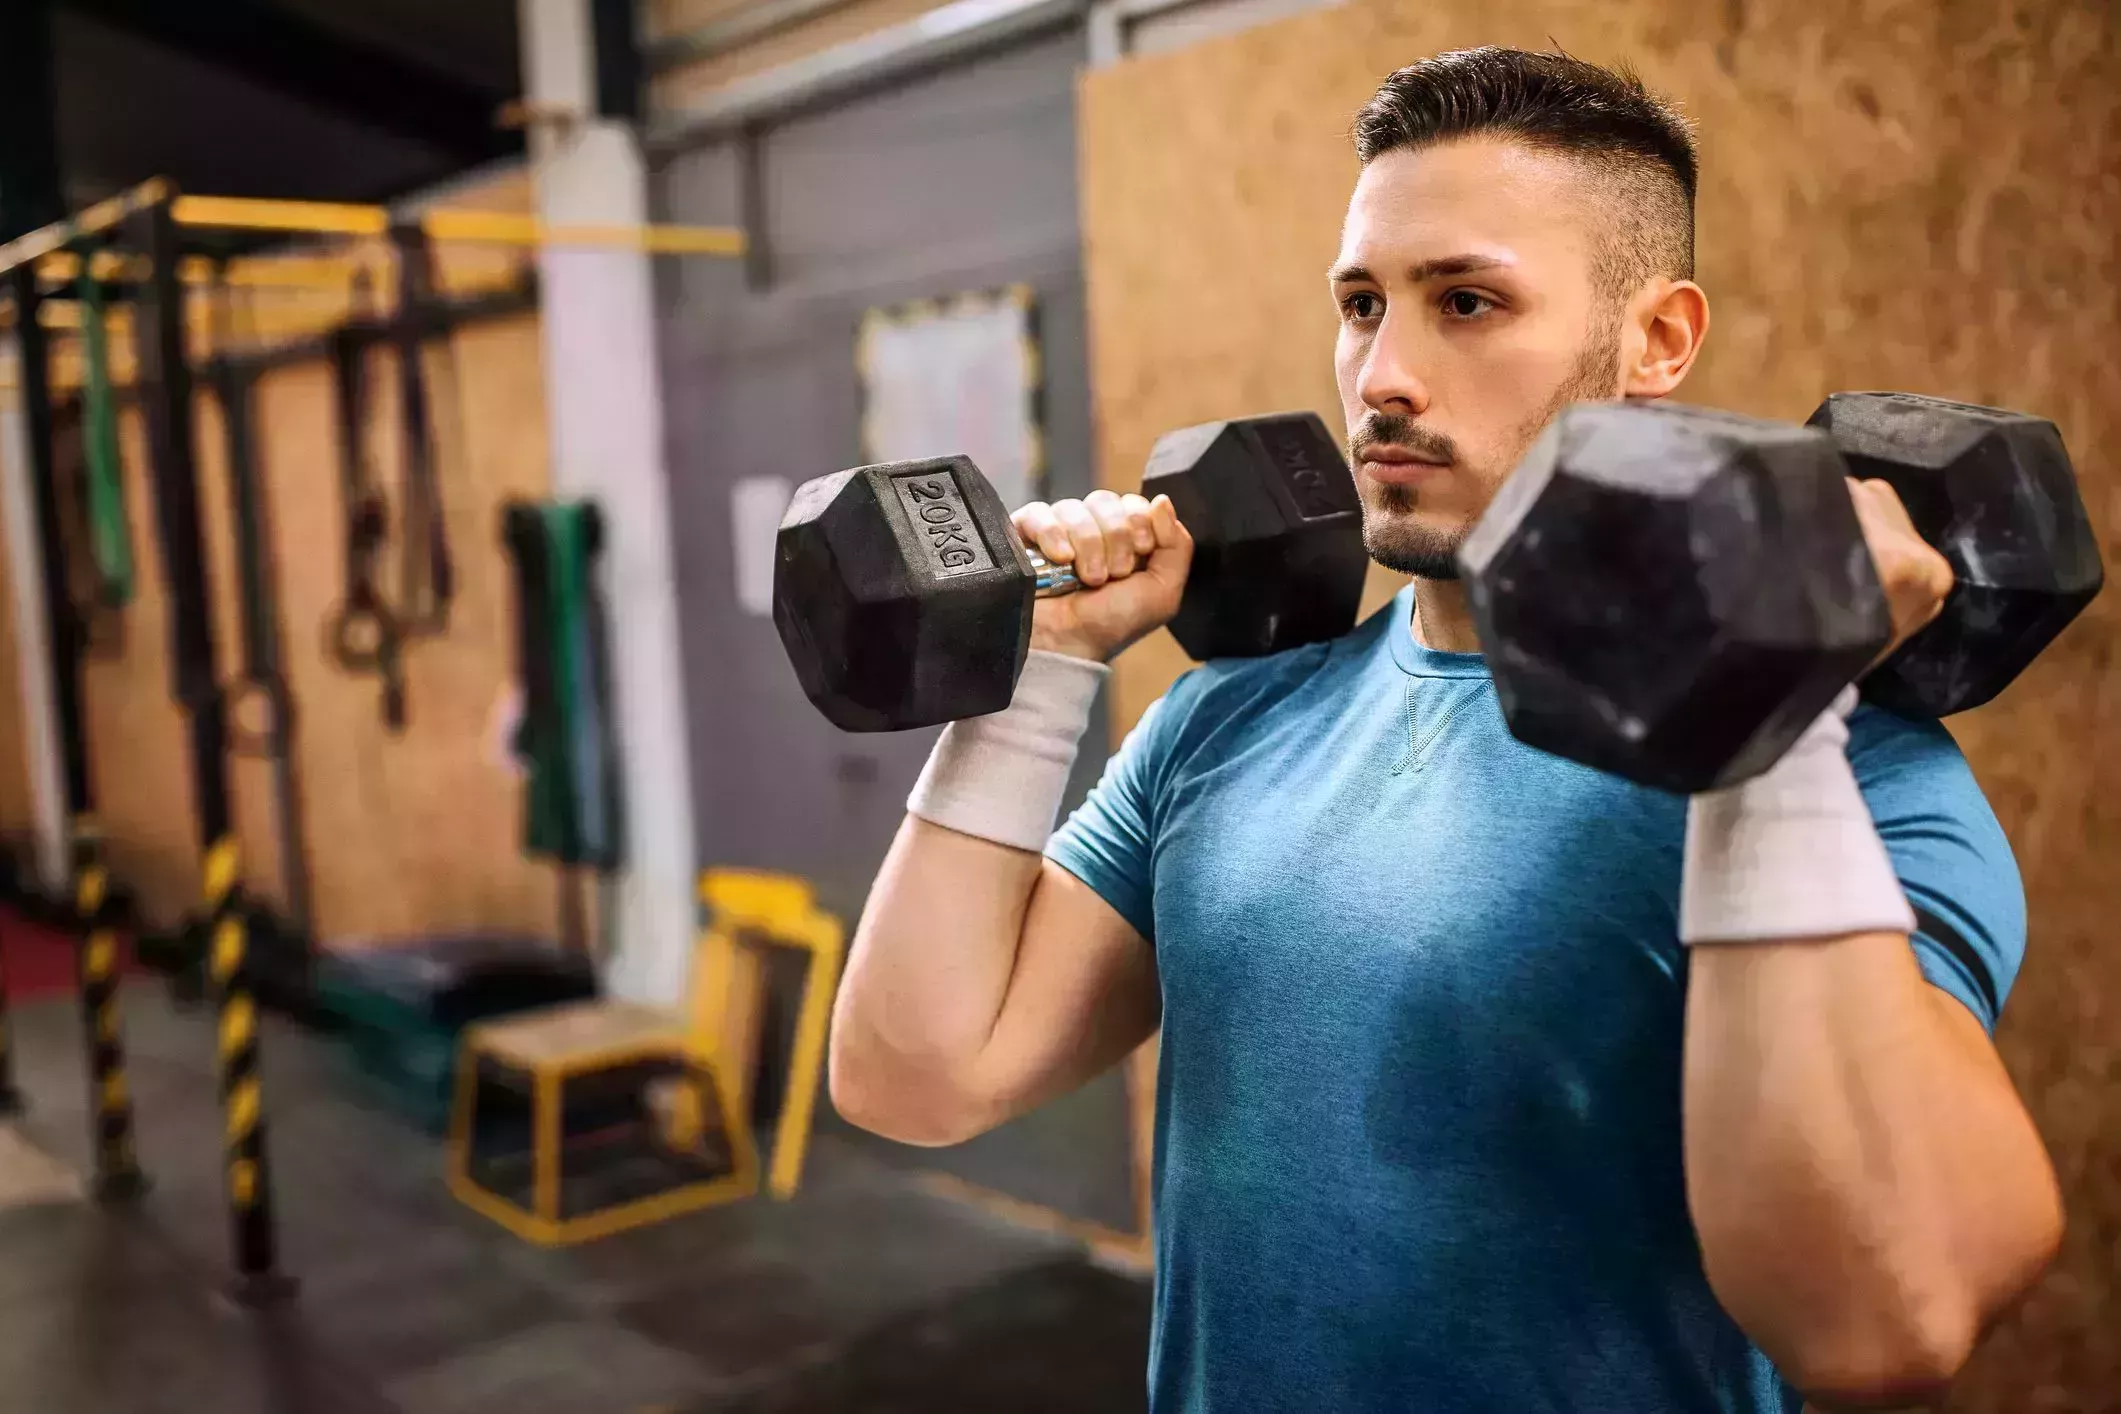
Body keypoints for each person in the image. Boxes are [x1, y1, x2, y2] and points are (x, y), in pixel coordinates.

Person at [827, 46, 2063, 1413]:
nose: (1385, 377)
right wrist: (1045, 663)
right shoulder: (1227, 718)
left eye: (1466, 301)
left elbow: (1888, 1322)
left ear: (1659, 339)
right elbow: (918, 1075)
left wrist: (1769, 747)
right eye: (1363, 304)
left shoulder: (1844, 770)